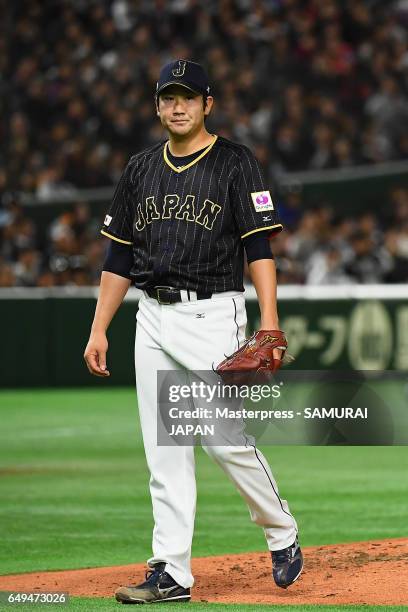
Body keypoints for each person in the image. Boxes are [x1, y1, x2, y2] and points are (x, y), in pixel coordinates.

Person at [84, 59, 303, 604]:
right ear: (157, 105)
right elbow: (118, 257)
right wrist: (99, 329)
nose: (177, 106)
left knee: (224, 443)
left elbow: (259, 248)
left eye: (188, 97)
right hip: (151, 316)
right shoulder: (139, 169)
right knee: (165, 450)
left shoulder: (235, 162)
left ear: (208, 104)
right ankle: (172, 571)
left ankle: (282, 532)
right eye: (168, 97)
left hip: (213, 314)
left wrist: (269, 322)